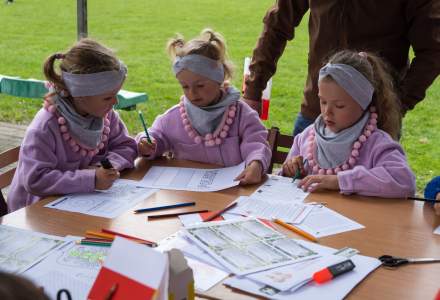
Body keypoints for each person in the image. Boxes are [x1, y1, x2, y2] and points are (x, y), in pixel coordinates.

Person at [243, 0, 440, 136]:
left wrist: (394, 104)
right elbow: (278, 23)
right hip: (316, 112)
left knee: (368, 195)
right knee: (297, 190)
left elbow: (433, 51)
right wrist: (253, 89)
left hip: (375, 121)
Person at [8, 39, 137, 212]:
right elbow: (35, 179)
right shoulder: (46, 126)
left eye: (115, 94)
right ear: (80, 95)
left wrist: (107, 167)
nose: (115, 102)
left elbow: (126, 145)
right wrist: (90, 179)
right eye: (108, 97)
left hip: (83, 203)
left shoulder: (105, 115)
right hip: (37, 212)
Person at [137, 29, 271, 185]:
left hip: (233, 191)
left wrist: (256, 164)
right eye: (185, 86)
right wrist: (147, 143)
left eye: (200, 85)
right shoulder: (174, 117)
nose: (192, 93)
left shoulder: (241, 114)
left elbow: (256, 142)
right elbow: (156, 136)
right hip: (187, 194)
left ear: (218, 78)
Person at [281, 50, 415, 198]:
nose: (327, 112)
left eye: (339, 106)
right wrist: (289, 169)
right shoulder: (306, 137)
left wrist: (339, 181)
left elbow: (404, 181)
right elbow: (286, 180)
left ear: (363, 103)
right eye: (323, 101)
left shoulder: (377, 144)